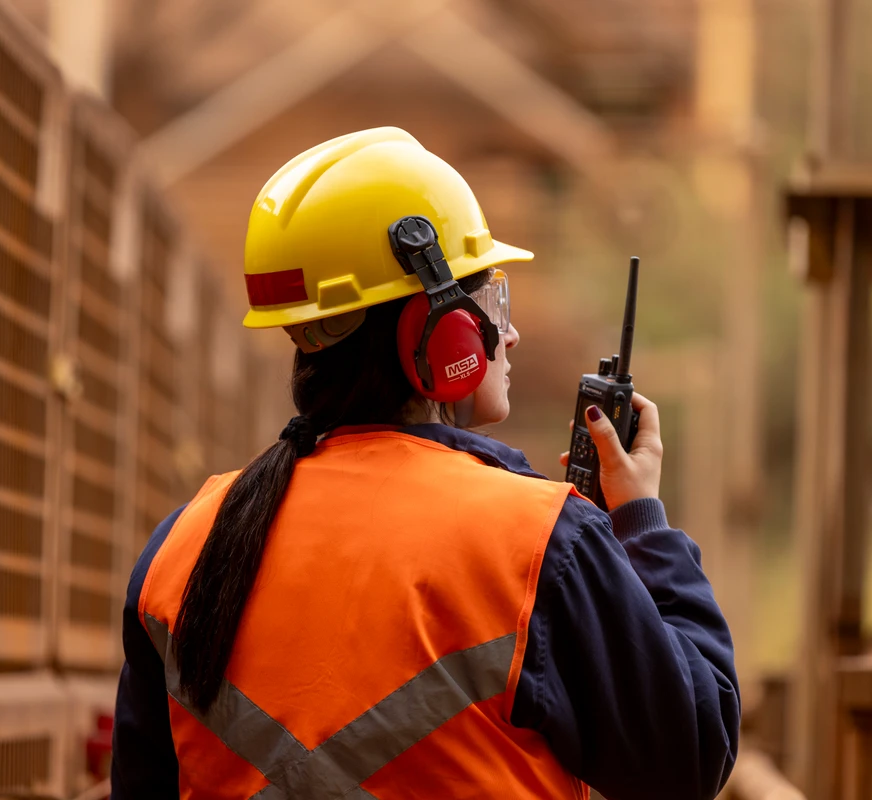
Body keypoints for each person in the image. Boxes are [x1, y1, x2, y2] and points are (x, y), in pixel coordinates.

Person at [112, 127, 739, 800]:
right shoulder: (534, 544)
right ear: (441, 329)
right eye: (494, 300)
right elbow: (692, 752)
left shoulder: (181, 549)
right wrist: (640, 523)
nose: (513, 332)